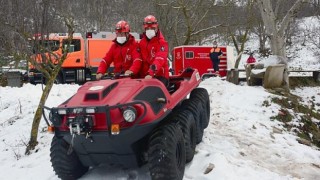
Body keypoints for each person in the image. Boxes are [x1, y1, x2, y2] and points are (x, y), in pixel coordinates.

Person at [129, 15, 169, 86]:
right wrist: (132, 71)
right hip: (144, 76)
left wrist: (151, 73)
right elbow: (138, 59)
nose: (149, 30)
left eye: (152, 28)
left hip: (159, 75)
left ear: (156, 28)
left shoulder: (162, 43)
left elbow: (159, 59)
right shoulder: (141, 43)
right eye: (147, 28)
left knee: (152, 91)